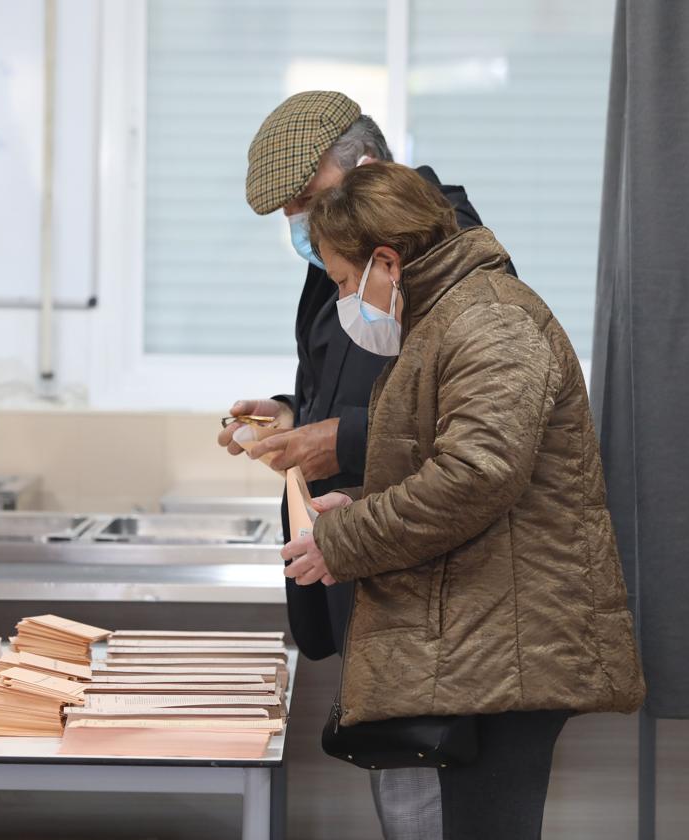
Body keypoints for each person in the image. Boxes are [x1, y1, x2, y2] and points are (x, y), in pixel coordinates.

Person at [282, 161, 646, 838]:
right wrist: (360, 502)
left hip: (505, 647)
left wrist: (349, 539)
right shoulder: (446, 317)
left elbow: (479, 476)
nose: (341, 299)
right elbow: (452, 464)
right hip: (482, 639)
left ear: (385, 260)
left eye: (340, 281)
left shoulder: (492, 322)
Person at [222, 91, 499, 839]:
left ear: (365, 169)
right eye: (293, 218)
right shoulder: (345, 255)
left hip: (425, 589)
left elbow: (467, 436)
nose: (304, 231)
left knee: (429, 808)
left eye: (308, 203)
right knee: (403, 800)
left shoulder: (451, 258)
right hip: (366, 568)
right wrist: (293, 414)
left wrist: (334, 442)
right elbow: (355, 382)